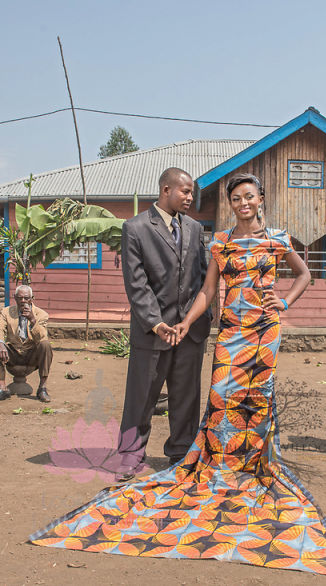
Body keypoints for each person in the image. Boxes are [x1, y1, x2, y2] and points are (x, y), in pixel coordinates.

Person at [29, 173, 326, 576]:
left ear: (260, 199)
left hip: (262, 332)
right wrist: (173, 322)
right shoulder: (211, 240)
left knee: (250, 399)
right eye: (236, 198)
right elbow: (199, 290)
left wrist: (285, 303)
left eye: (249, 197)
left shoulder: (272, 237)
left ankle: (246, 462)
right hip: (216, 330)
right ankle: (152, 457)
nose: (243, 203)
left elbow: (304, 274)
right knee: (209, 397)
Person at [112, 167, 212, 482]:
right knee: (142, 397)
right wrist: (156, 323)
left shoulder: (195, 229)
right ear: (166, 189)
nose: (190, 198)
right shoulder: (136, 228)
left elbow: (202, 276)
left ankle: (180, 454)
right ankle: (130, 457)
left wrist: (192, 321)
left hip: (190, 332)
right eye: (185, 191)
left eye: (192, 192)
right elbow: (136, 283)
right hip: (152, 332)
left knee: (186, 398)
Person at [0, 285, 54, 404]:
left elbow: (42, 336)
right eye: (19, 298)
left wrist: (32, 320)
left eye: (26, 298)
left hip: (32, 354)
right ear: (14, 298)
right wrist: (0, 343)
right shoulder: (7, 312)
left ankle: (42, 388)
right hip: (13, 352)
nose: (23, 301)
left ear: (32, 299)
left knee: (45, 345)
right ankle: (2, 389)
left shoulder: (41, 314)